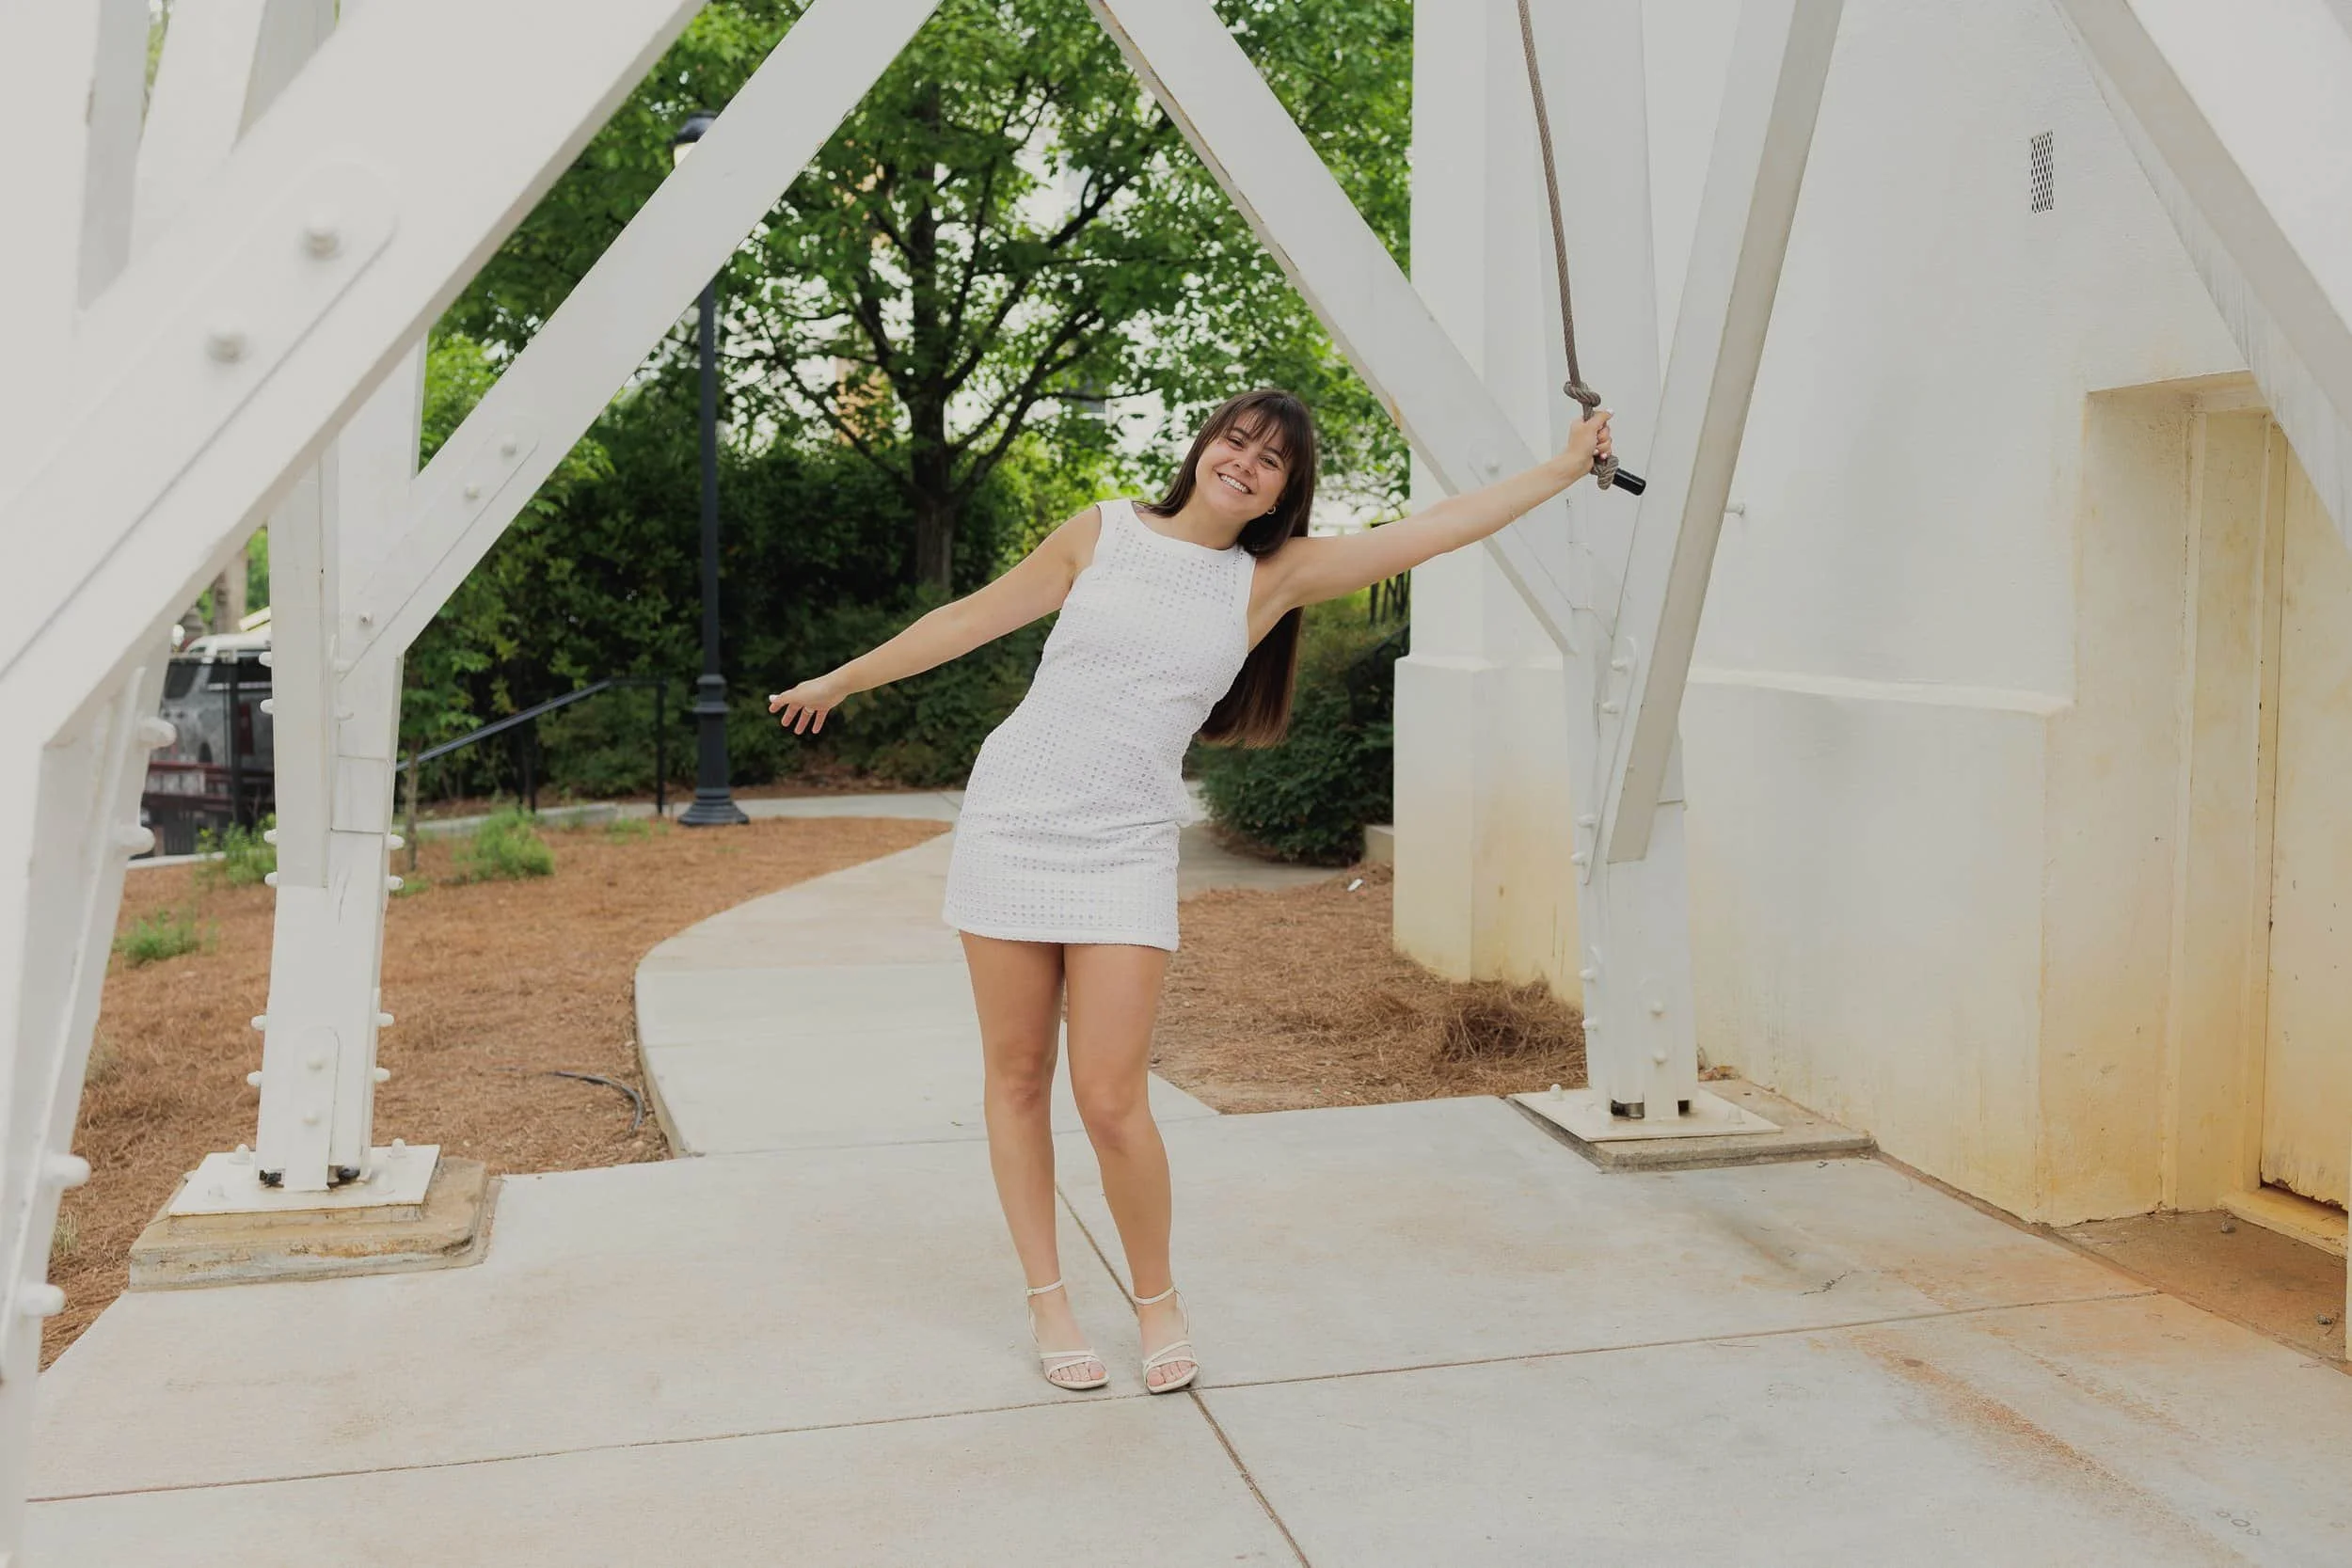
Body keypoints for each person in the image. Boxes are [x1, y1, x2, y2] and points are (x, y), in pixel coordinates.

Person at [769, 388, 1613, 1395]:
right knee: (1017, 1076)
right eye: (1237, 440)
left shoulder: (1271, 578)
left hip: (1124, 844)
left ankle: (1156, 1296)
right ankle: (1048, 1299)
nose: (1246, 462)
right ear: (1205, 444)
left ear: (1282, 495)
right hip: (1012, 823)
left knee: (1113, 1095)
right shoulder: (1100, 532)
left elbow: (1428, 530)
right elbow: (967, 618)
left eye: (1272, 461)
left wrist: (1562, 469)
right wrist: (842, 680)